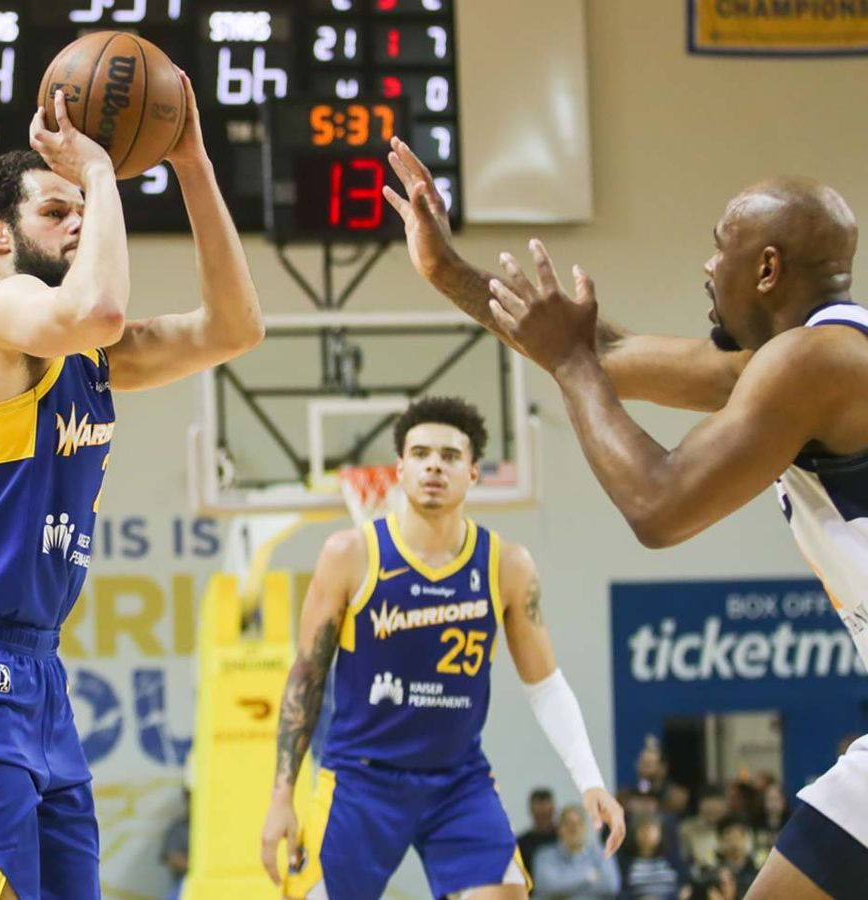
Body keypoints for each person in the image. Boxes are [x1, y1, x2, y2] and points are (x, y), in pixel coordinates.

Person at [385, 139, 868, 900]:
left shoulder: (816, 362)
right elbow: (602, 351)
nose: (708, 266)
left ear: (768, 269)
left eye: (722, 247)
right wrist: (447, 270)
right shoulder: (800, 361)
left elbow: (657, 505)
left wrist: (571, 365)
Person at [0, 75, 263, 900]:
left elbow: (235, 328)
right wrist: (98, 172)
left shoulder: (92, 356)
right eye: (56, 211)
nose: (80, 221)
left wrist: (192, 165)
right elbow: (100, 310)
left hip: (38, 673)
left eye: (83, 209)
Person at [260, 397, 625, 899]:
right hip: (361, 780)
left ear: (473, 472)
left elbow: (545, 686)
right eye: (421, 454)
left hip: (457, 783)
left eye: (450, 456)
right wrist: (282, 796)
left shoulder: (507, 565)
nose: (434, 465)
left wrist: (590, 780)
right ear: (400, 469)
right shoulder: (350, 555)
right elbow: (307, 677)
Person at [531, 806, 620, 899]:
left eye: (578, 823)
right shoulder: (544, 856)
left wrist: (562, 884)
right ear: (559, 829)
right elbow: (547, 887)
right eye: (568, 824)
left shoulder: (602, 853)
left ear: (585, 828)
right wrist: (588, 877)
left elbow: (611, 886)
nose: (574, 828)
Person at [518, 788, 560, 886]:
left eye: (547, 814)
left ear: (553, 811)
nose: (543, 818)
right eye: (540, 815)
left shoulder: (564, 839)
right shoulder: (522, 844)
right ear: (532, 812)